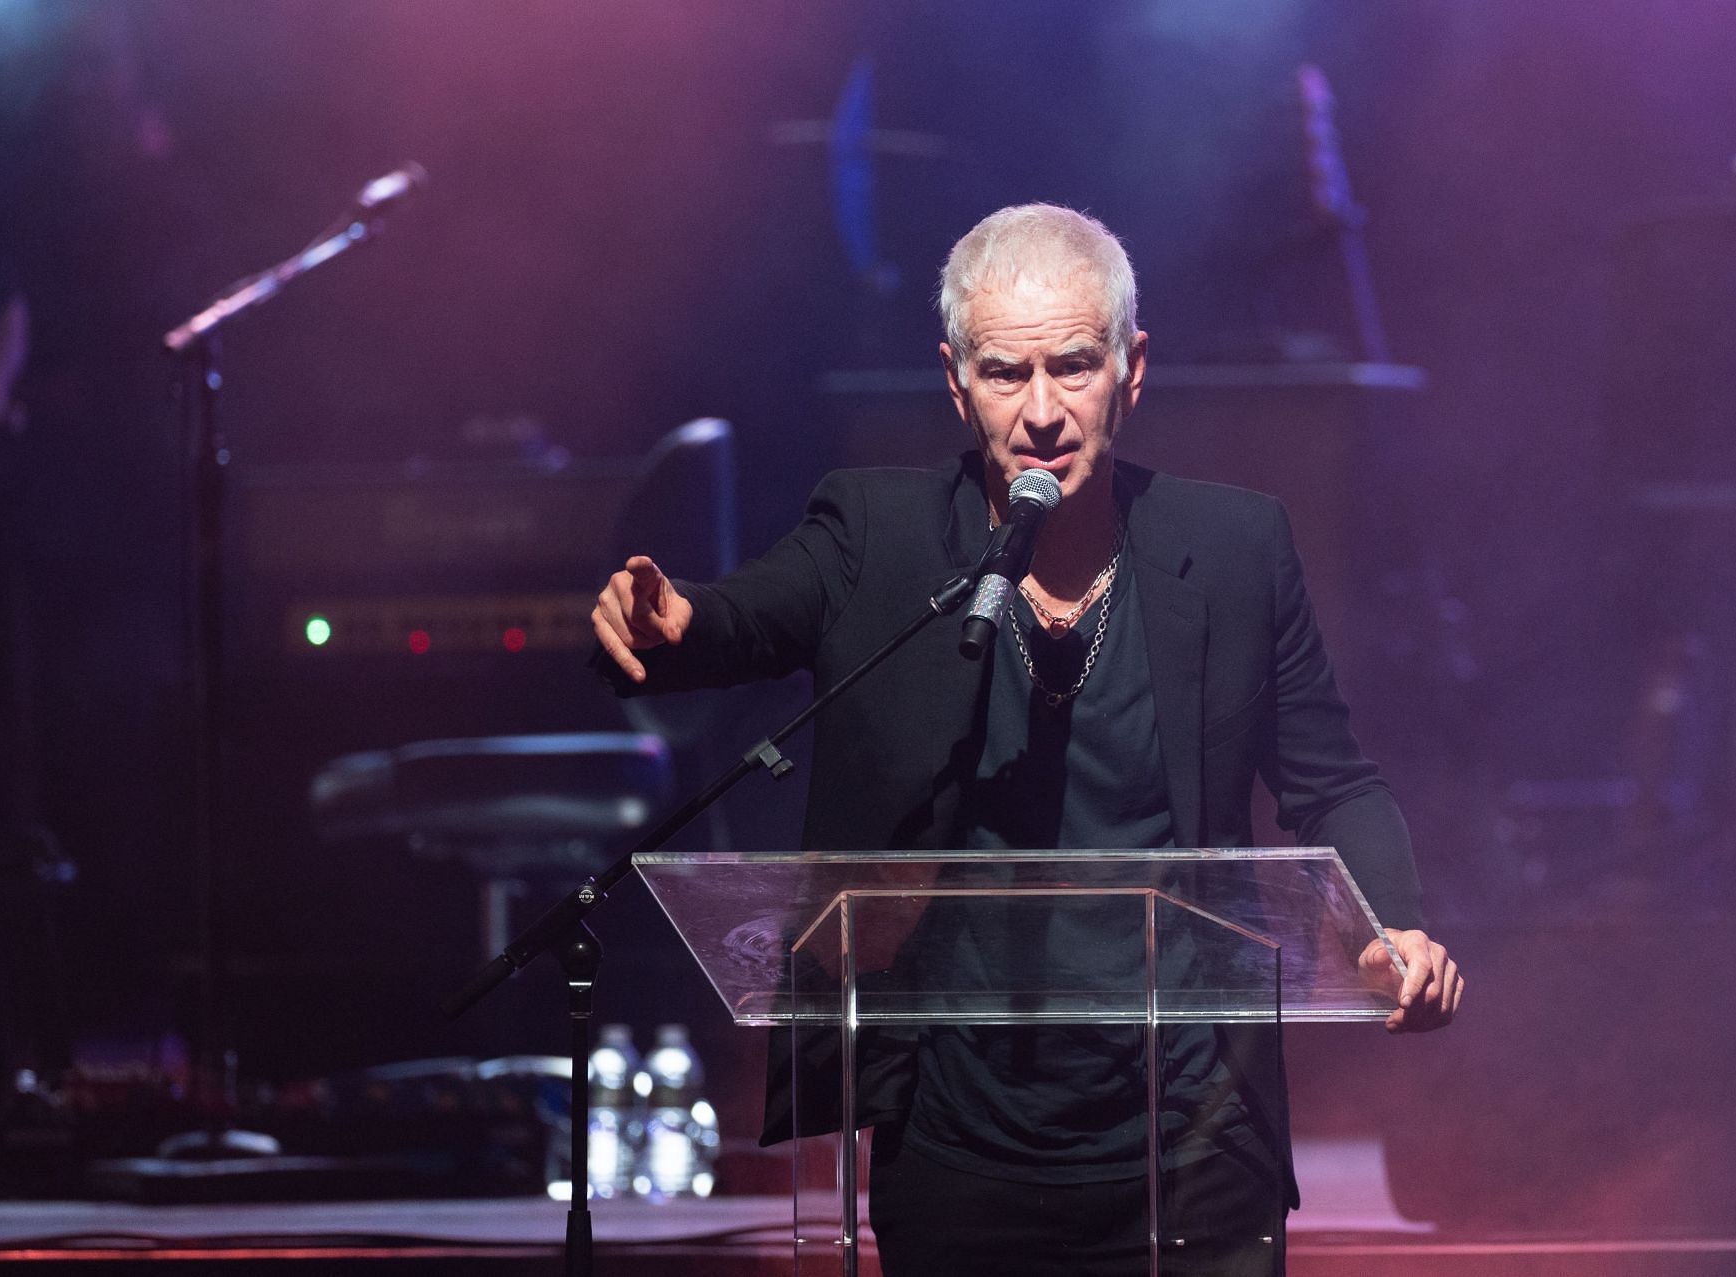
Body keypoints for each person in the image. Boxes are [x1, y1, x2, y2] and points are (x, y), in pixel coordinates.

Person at [593, 204, 1462, 1275]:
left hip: (1195, 1137)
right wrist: (674, 624)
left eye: (1074, 366)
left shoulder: (1235, 549)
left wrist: (1396, 927)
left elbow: (1335, 785)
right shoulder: (878, 536)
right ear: (957, 382)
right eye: (1007, 374)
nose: (1043, 410)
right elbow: (739, 617)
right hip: (961, 1144)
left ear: (1132, 369)